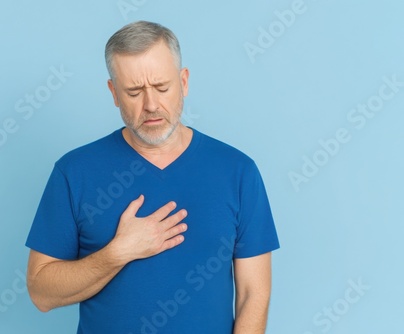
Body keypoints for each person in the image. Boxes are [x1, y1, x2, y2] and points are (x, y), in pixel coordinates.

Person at [25, 20, 279, 334]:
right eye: (134, 92)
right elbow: (41, 293)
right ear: (114, 93)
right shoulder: (74, 172)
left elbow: (254, 295)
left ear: (184, 82)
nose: (151, 105)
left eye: (162, 87)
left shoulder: (238, 172)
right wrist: (118, 252)